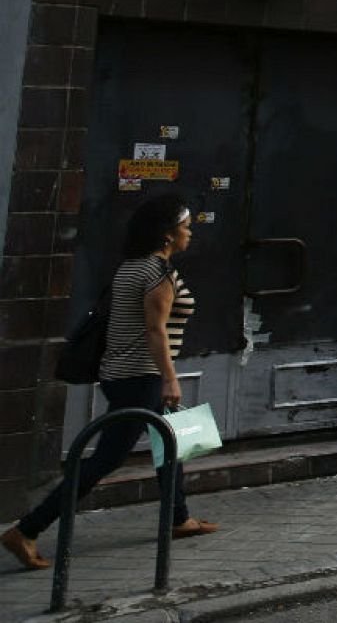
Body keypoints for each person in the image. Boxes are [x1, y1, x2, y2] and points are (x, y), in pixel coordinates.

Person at [2, 194, 217, 571]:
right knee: (106, 459)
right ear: (167, 235)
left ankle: (179, 518)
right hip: (141, 376)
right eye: (185, 227)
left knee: (169, 445)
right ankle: (27, 529)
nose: (190, 233)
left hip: (121, 373)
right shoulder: (157, 274)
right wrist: (169, 378)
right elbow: (155, 331)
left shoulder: (132, 267)